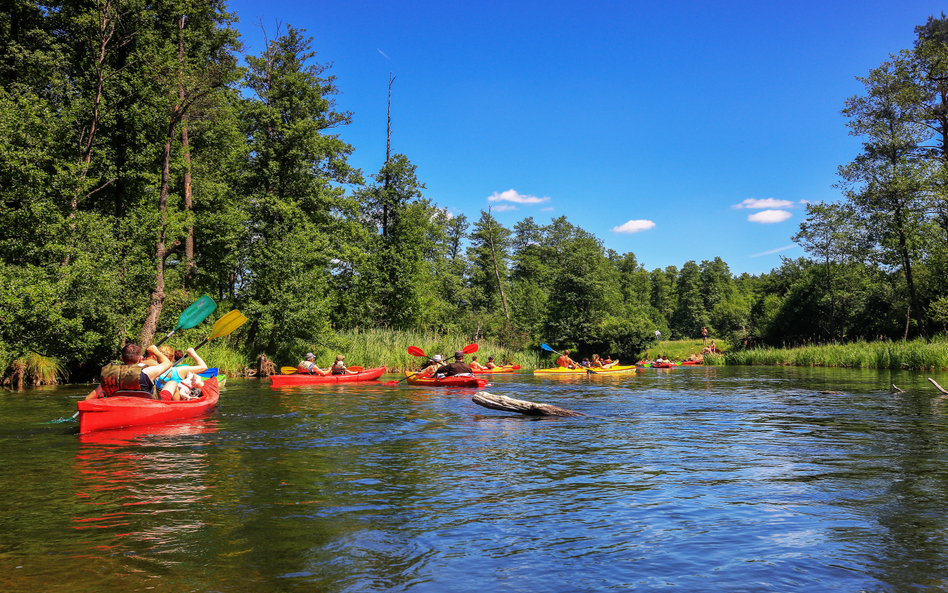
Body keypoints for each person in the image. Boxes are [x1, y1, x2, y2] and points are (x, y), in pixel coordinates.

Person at [85, 343, 173, 400]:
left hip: (118, 406)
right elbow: (167, 363)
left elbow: (88, 399)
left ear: (122, 358)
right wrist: (155, 351)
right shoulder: (148, 372)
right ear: (139, 359)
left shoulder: (110, 375)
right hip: (148, 407)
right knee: (172, 383)